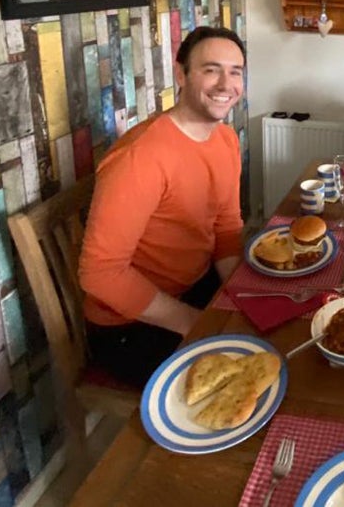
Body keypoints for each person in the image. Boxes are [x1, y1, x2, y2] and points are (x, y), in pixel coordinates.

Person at [78, 26, 246, 387]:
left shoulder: (226, 139)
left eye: (235, 71)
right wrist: (196, 323)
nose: (225, 84)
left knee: (277, 335)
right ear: (181, 74)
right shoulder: (141, 157)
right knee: (238, 386)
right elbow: (100, 273)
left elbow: (227, 227)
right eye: (211, 69)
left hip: (194, 285)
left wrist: (240, 295)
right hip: (131, 325)